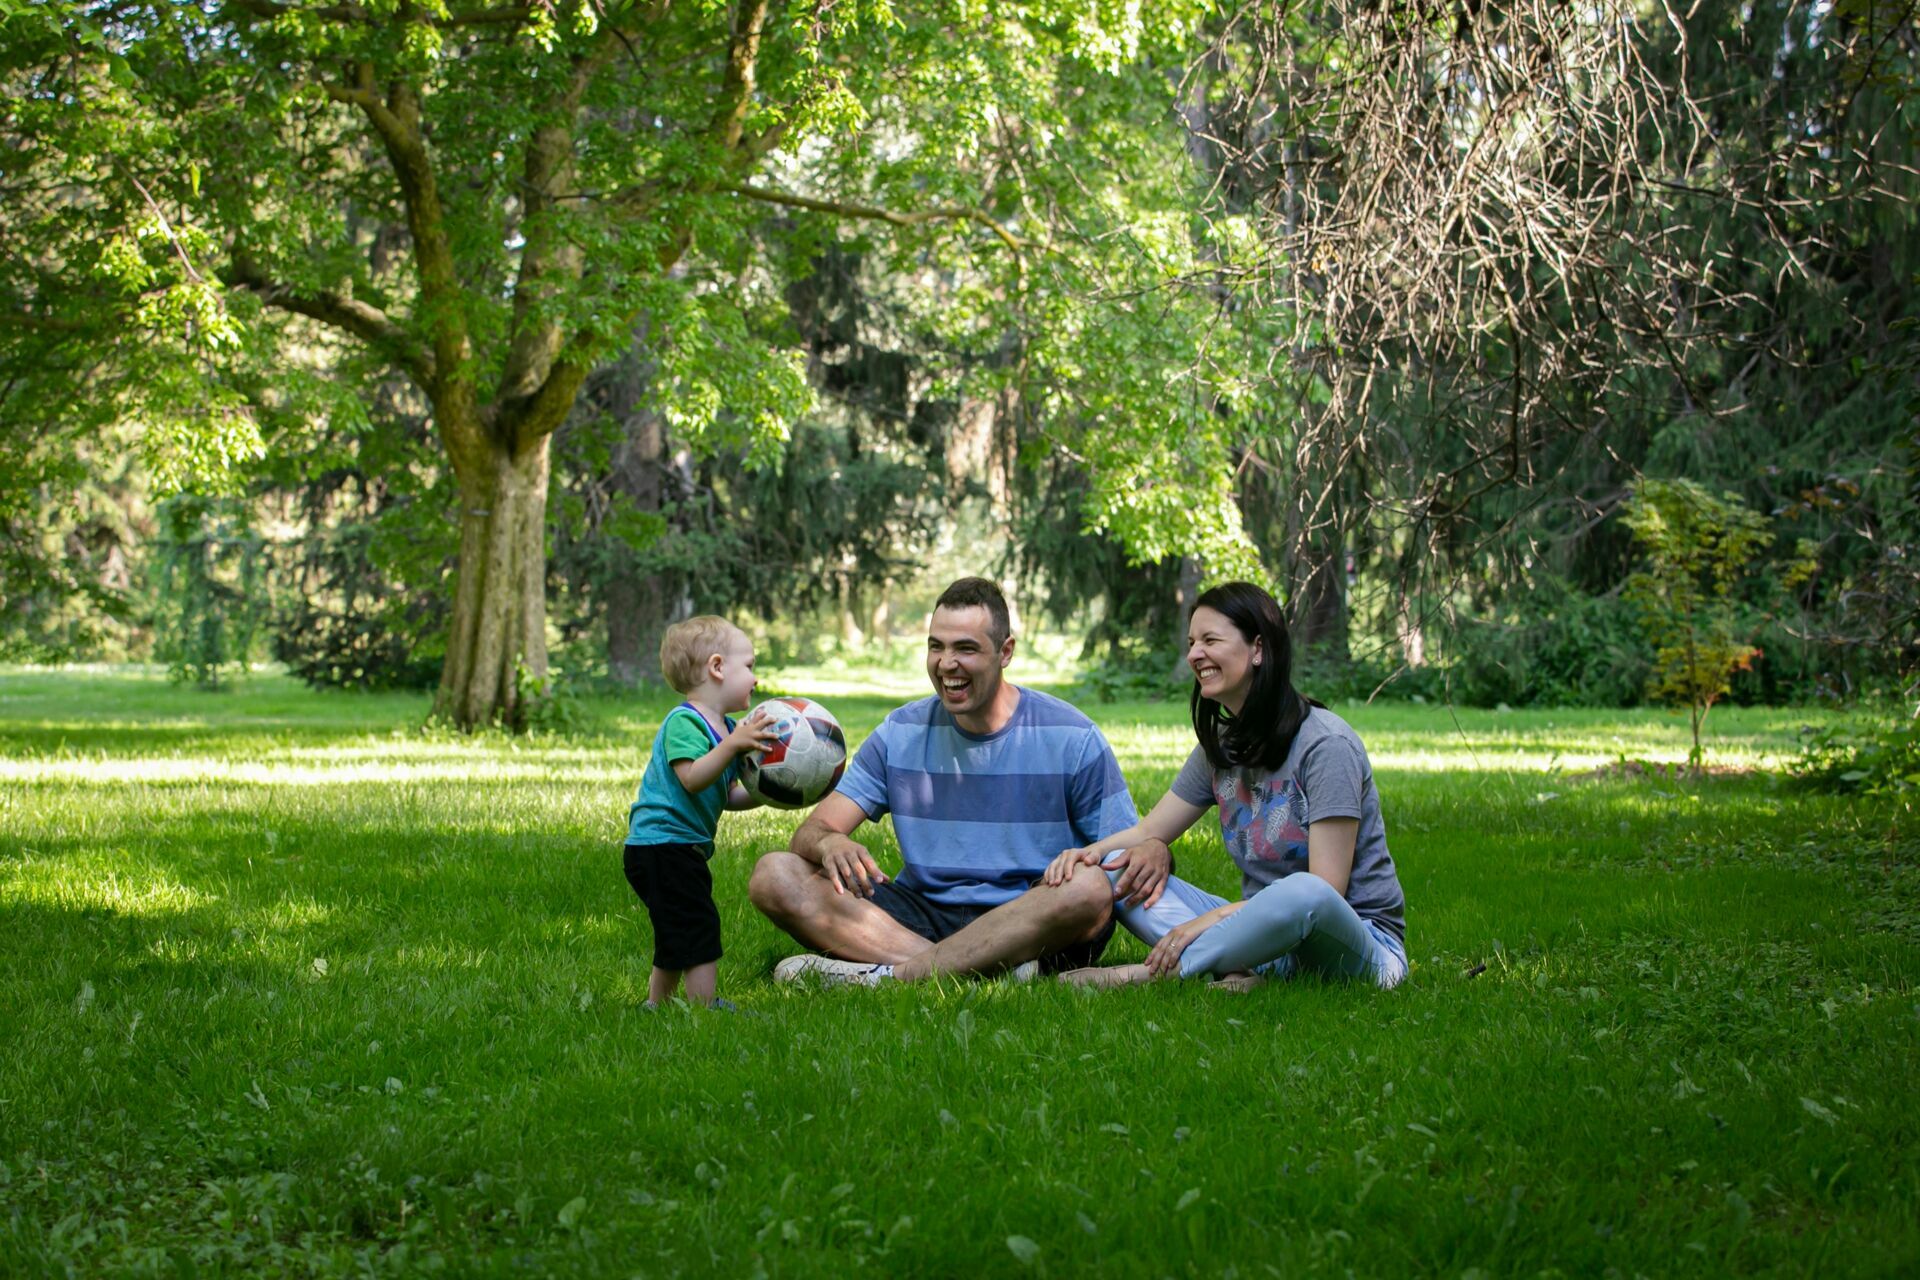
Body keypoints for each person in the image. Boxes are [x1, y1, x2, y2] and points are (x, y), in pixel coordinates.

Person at [749, 577, 1167, 985]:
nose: (947, 664)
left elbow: (1123, 856)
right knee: (775, 875)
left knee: (1089, 889)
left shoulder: (1073, 736)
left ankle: (896, 975)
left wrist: (1152, 850)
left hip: (1031, 917)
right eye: (936, 646)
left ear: (1005, 652)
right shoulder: (900, 732)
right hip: (922, 914)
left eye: (966, 649)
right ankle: (981, 976)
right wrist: (831, 843)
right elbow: (812, 832)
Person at [1044, 581, 1408, 990]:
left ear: (1258, 649)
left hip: (1359, 948)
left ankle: (1150, 974)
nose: (1195, 654)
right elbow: (1149, 832)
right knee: (1116, 871)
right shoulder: (1220, 748)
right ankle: (1251, 971)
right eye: (1192, 641)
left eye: (1210, 640)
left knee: (1305, 891)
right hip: (1261, 932)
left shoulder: (1326, 746)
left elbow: (1327, 891)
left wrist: (1210, 920)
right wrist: (1084, 855)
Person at [624, 616, 778, 1009]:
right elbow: (692, 778)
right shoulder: (684, 722)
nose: (755, 679)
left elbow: (726, 795)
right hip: (661, 845)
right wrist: (733, 746)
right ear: (716, 667)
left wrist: (771, 794)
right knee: (699, 925)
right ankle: (702, 1006)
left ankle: (657, 1005)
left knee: (676, 929)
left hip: (679, 847)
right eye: (749, 666)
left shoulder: (725, 728)